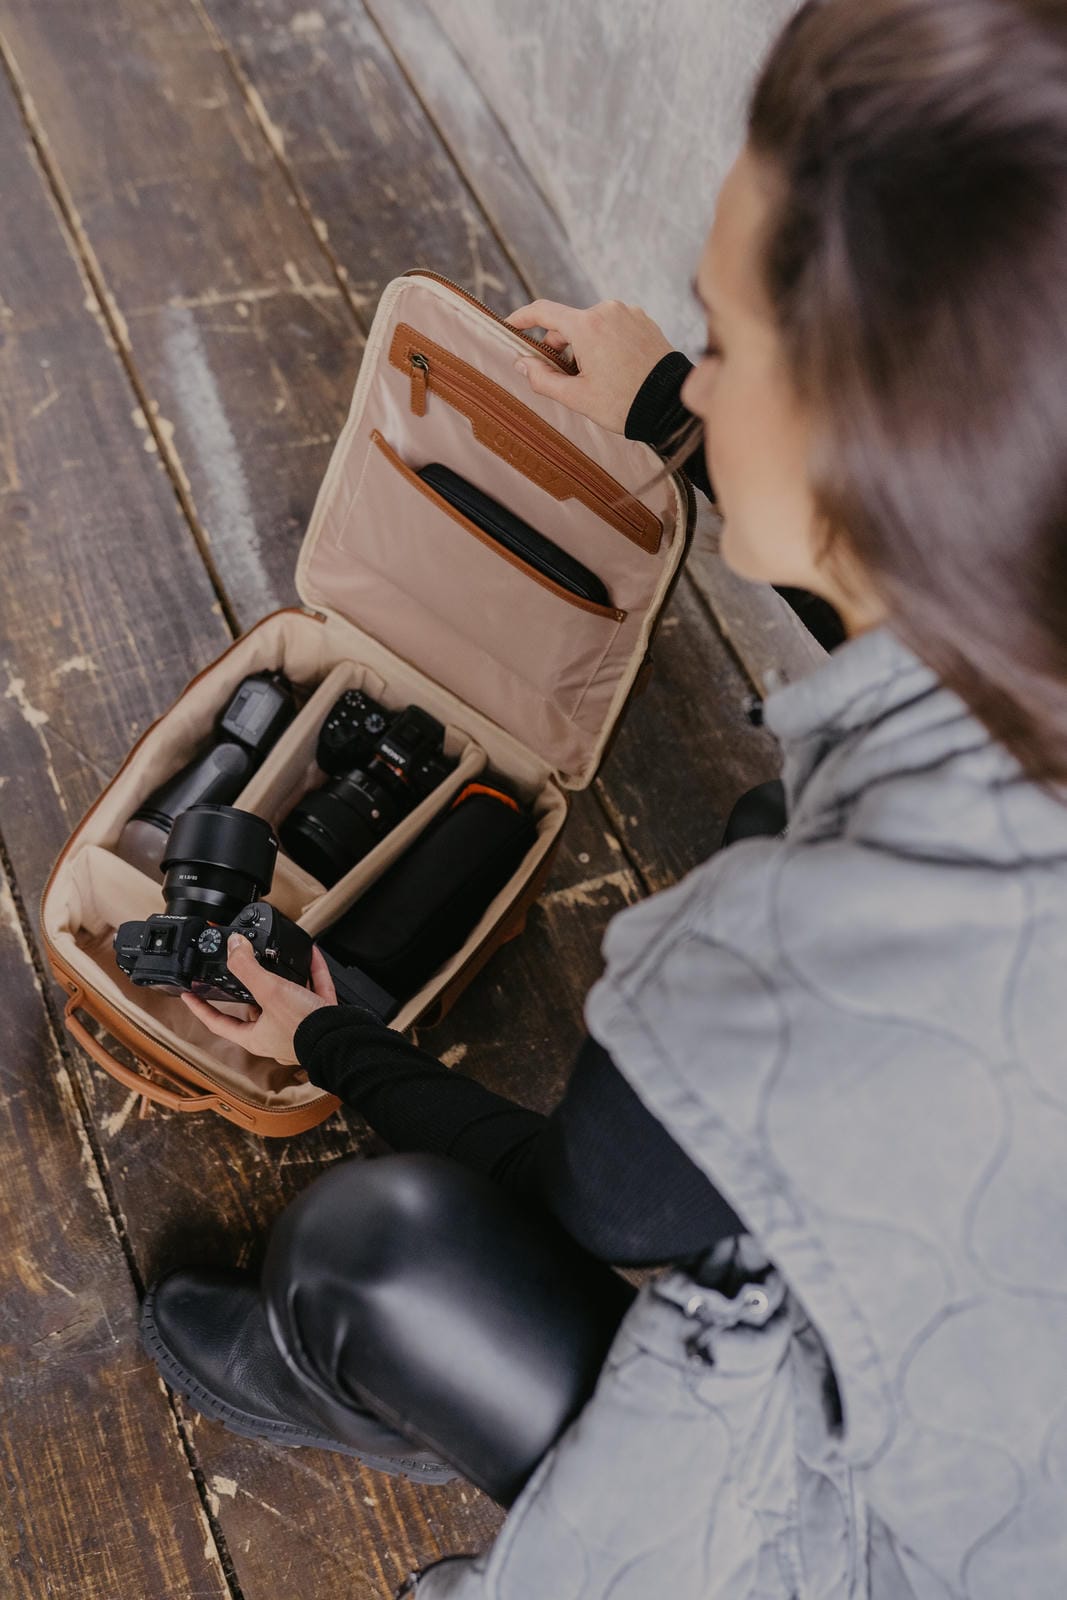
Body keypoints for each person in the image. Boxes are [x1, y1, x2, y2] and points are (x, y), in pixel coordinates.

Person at [142, 1, 1067, 1593]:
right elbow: (922, 621)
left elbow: (580, 1198)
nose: (694, 391)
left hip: (892, 1547)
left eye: (719, 345)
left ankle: (320, 1363)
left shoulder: (786, 967)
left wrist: (322, 1037)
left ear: (891, 450)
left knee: (379, 1255)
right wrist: (653, 410)